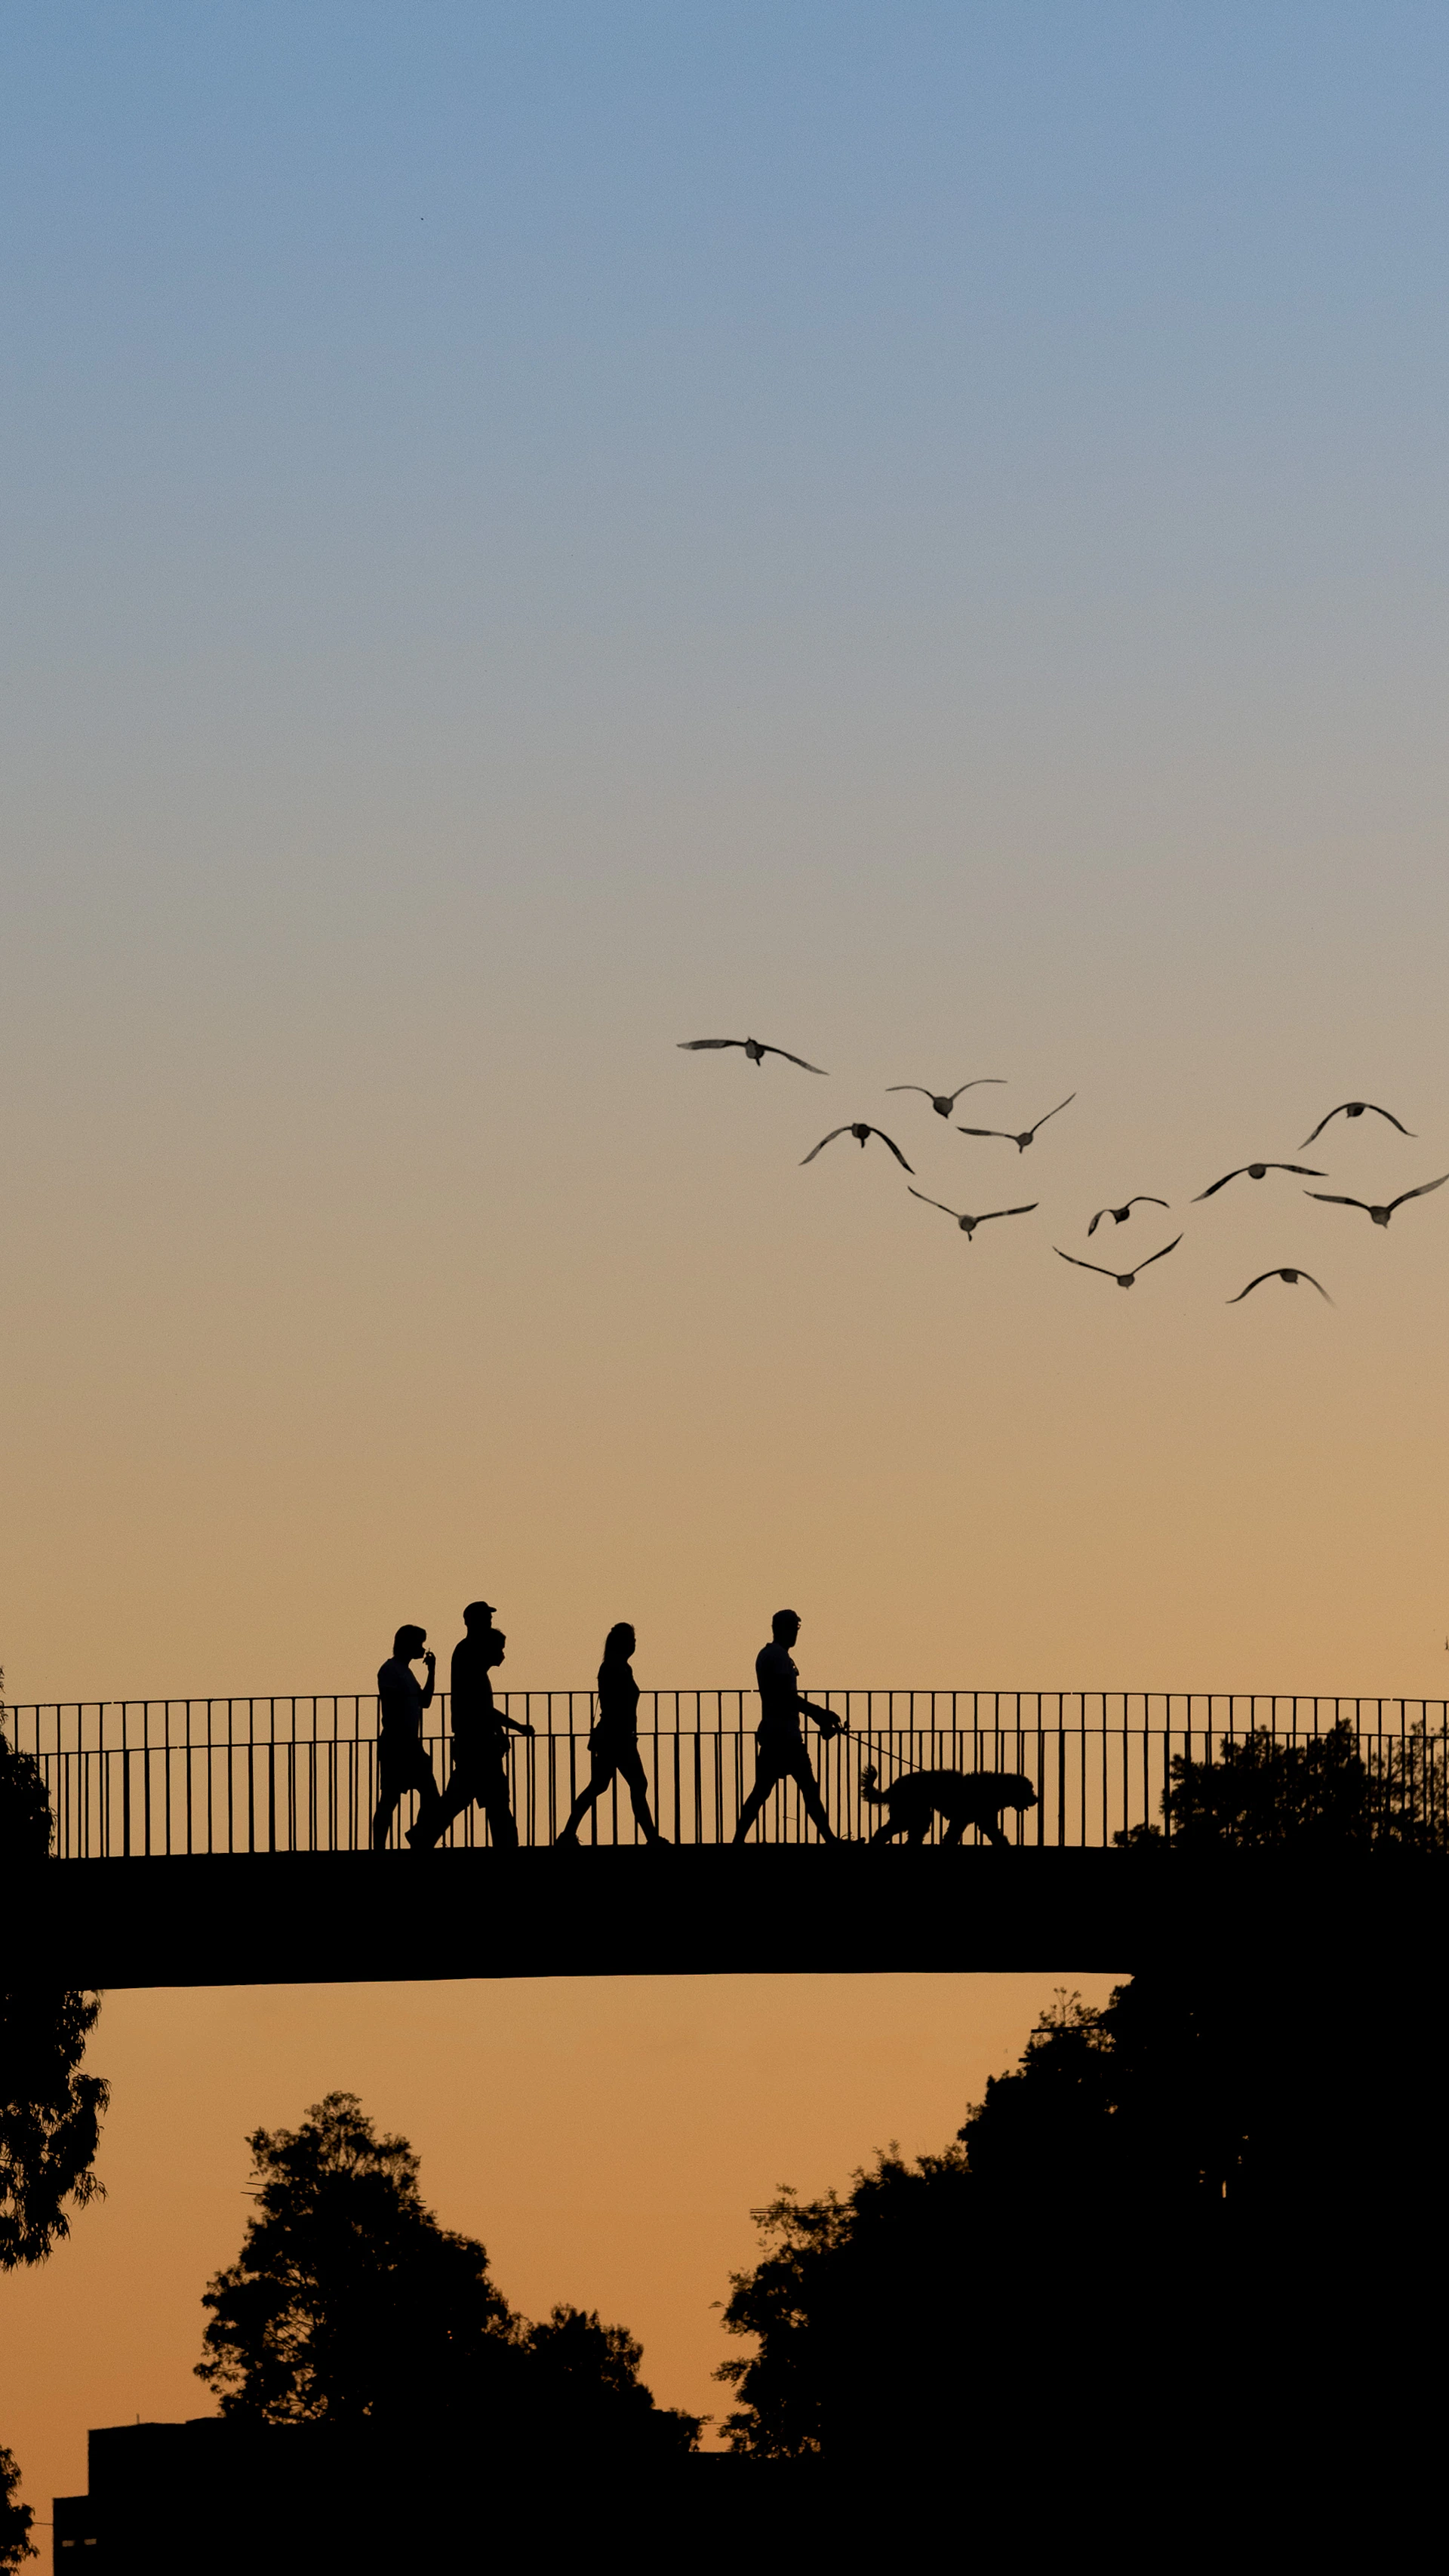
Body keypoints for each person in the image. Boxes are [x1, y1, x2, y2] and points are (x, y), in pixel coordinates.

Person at [421, 1601, 534, 1850]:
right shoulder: (469, 1655)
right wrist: (514, 1727)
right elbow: (481, 1708)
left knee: (466, 1798)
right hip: (476, 1742)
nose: (490, 1622)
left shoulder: (468, 1656)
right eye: (486, 1618)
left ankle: (423, 1835)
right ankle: (424, 1835)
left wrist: (503, 1730)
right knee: (487, 1799)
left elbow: (482, 1708)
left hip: (474, 1740)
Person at [732, 1608, 843, 1844]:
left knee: (762, 1791)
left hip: (774, 1732)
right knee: (807, 1790)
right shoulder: (779, 1658)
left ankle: (737, 1840)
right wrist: (819, 1714)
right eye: (793, 1628)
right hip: (785, 1735)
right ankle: (831, 1840)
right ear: (782, 1629)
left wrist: (818, 1715)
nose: (795, 1634)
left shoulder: (769, 1655)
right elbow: (787, 1697)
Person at [555, 1623, 666, 1846]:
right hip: (616, 1737)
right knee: (633, 1784)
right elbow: (615, 1704)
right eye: (631, 1640)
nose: (635, 1644)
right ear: (622, 1643)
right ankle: (651, 1838)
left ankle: (567, 1834)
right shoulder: (612, 1668)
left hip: (620, 1736)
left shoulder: (622, 1667)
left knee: (601, 1786)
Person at [372, 1623, 445, 1852]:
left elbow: (425, 1701)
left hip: (409, 1743)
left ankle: (417, 1834)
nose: (422, 1647)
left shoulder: (405, 1671)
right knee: (391, 1798)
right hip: (397, 1743)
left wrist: (432, 1671)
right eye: (419, 1643)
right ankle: (381, 1847)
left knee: (429, 1796)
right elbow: (392, 1707)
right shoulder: (390, 1670)